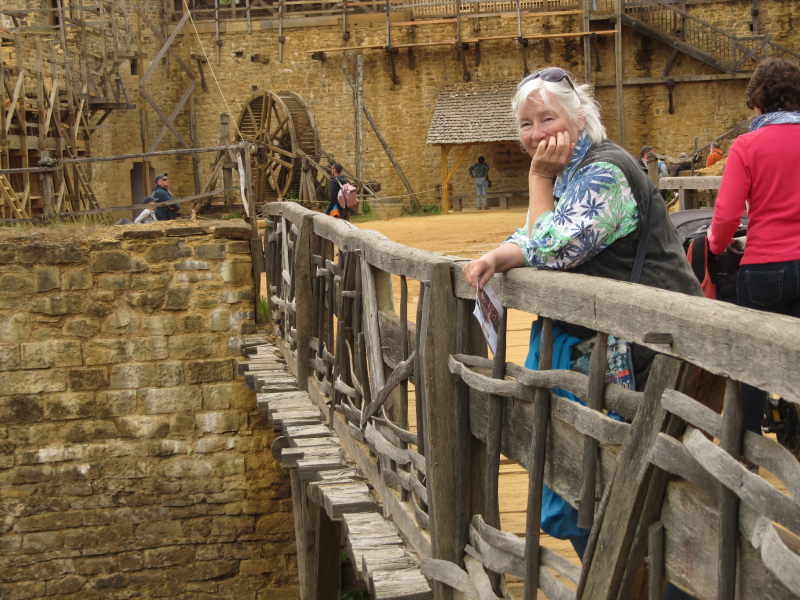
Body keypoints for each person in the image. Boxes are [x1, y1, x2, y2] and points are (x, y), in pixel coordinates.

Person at [462, 67, 701, 598]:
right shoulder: (573, 170)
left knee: (631, 495)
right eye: (525, 123)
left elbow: (552, 250)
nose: (536, 131)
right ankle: (628, 582)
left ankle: (647, 586)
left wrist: (537, 180)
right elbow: (538, 235)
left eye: (548, 116)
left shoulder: (605, 173)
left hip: (648, 353)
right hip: (607, 353)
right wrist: (501, 254)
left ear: (579, 116)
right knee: (580, 491)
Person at [708, 57, 800, 437]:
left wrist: (716, 246)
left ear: (758, 100)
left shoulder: (746, 146)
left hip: (765, 269)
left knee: (751, 362)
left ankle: (745, 452)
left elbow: (727, 216)